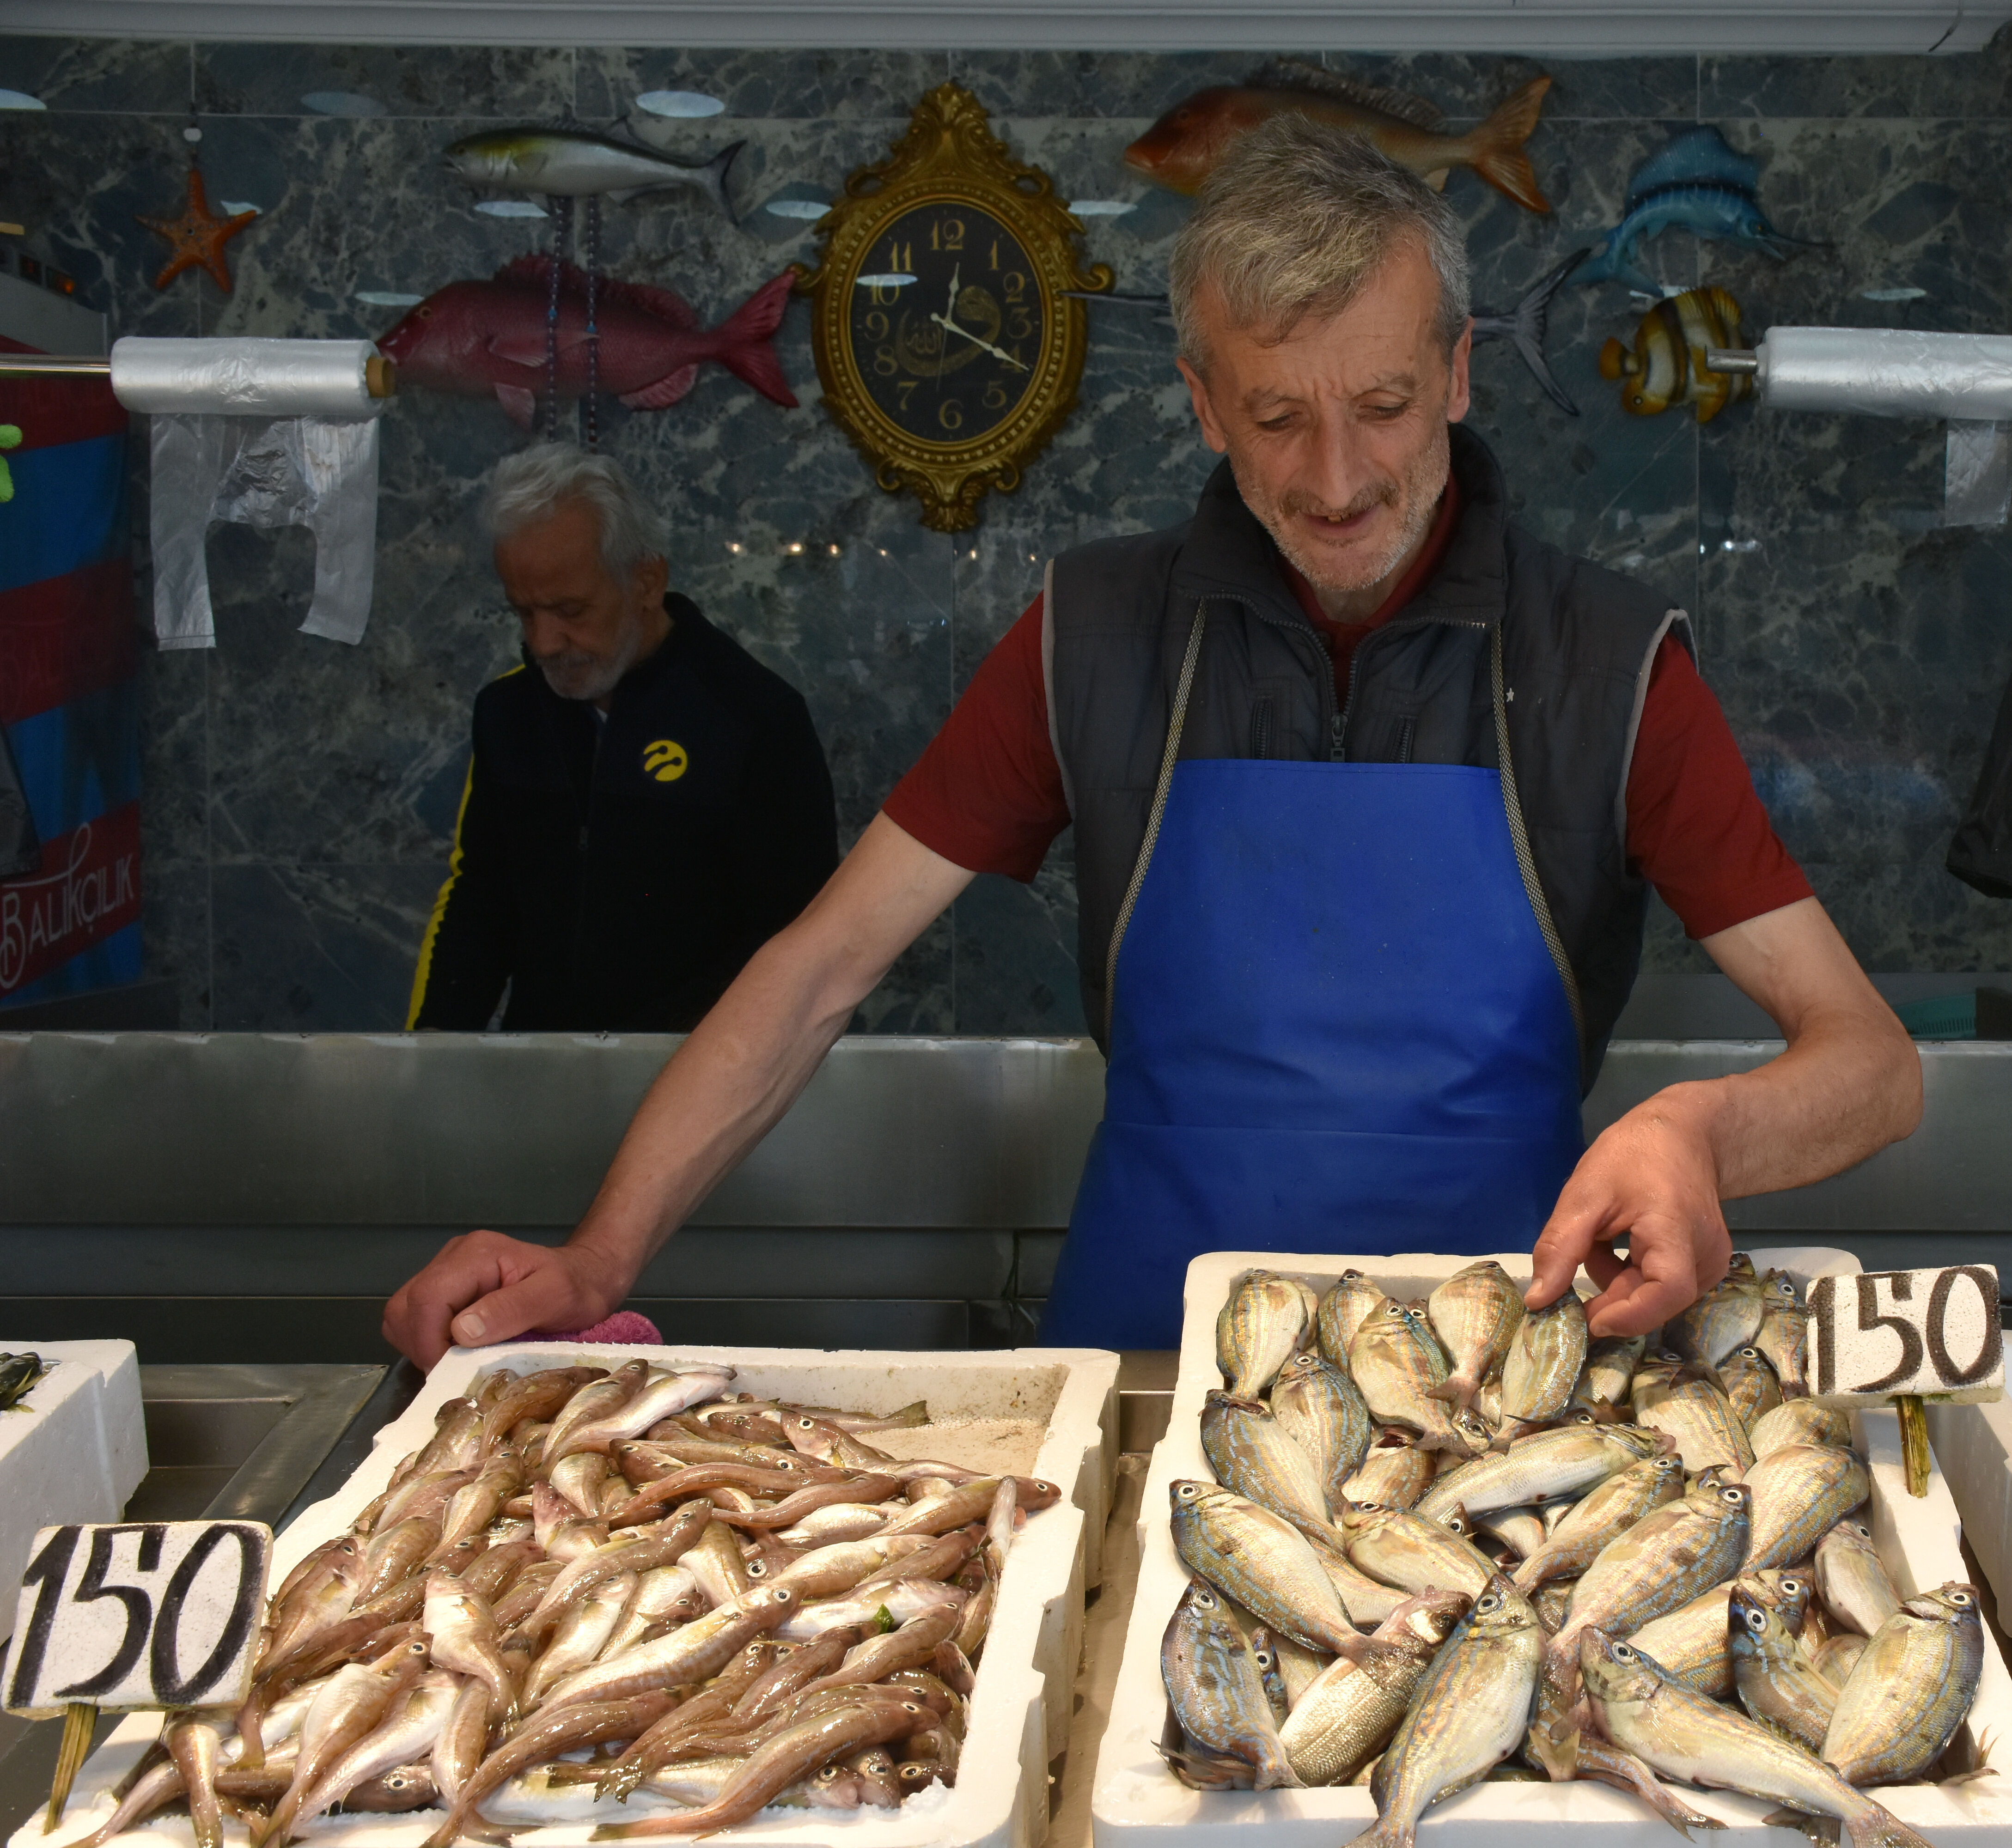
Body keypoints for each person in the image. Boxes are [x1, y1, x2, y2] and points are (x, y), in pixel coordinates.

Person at [383, 120, 1921, 1365]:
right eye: (1277, 417)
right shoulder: (1093, 636)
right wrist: (600, 1258)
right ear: (1200, 403)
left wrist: (1700, 1129)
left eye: (1387, 405)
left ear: (1458, 372)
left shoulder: (1611, 663)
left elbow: (1869, 1065)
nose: (1338, 480)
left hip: (1505, 1387)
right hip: (1145, 1373)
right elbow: (816, 972)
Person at [406, 444, 839, 1033]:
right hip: (545, 1066)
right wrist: (432, 1048)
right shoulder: (508, 713)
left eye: (569, 610)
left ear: (646, 582)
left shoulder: (753, 718)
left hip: (700, 1066)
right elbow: (482, 900)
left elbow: (795, 936)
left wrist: (647, 1058)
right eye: (524, 613)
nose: (544, 643)